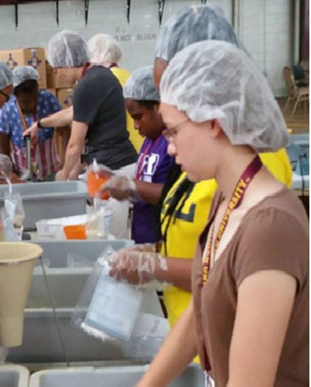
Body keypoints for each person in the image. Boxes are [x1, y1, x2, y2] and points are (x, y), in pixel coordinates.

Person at [131, 40, 308, 387]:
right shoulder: (225, 200)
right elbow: (201, 310)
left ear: (213, 122)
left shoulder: (270, 229)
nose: (169, 145)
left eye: (174, 130)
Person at [111, 4, 293, 331]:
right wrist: (153, 253)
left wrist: (156, 265)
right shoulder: (208, 165)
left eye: (175, 119)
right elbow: (208, 271)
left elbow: (229, 282)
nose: (168, 141)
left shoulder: (257, 180)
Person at [44, 30, 138, 180]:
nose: (57, 75)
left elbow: (75, 145)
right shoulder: (99, 75)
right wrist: (41, 124)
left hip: (113, 169)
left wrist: (64, 175)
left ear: (67, 63)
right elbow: (75, 114)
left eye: (57, 69)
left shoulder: (87, 85)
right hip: (116, 164)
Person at [100, 66, 174, 244]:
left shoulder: (172, 144)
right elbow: (147, 180)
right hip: (143, 234)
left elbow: (174, 193)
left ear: (158, 107)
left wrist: (131, 186)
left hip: (163, 239)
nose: (135, 125)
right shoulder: (149, 141)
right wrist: (113, 180)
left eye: (139, 116)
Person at [0, 66, 63, 181]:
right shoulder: (7, 110)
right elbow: (2, 147)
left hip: (51, 170)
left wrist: (65, 162)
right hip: (21, 173)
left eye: (34, 98)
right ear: (15, 96)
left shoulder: (47, 100)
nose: (31, 104)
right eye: (25, 102)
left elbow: (65, 131)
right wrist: (12, 172)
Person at [88, 33, 144, 152]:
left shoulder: (105, 80)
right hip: (141, 145)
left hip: (123, 149)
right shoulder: (128, 74)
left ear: (95, 55)